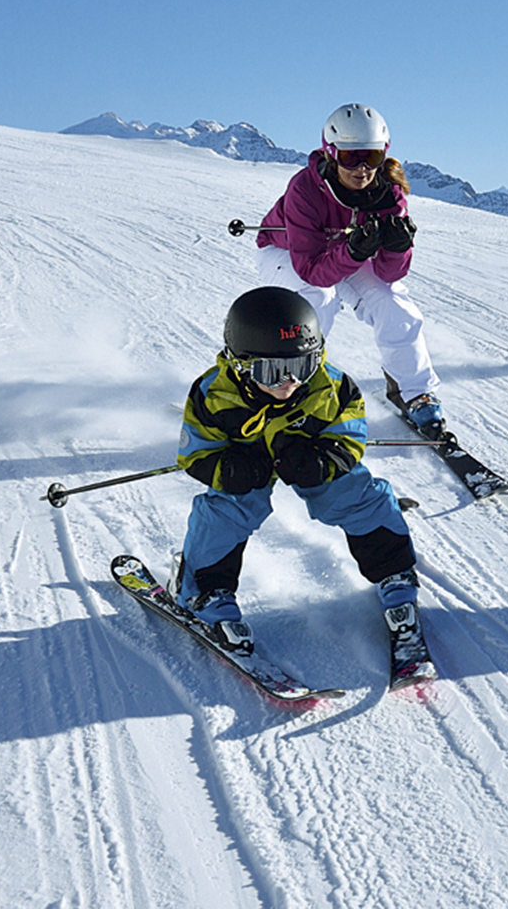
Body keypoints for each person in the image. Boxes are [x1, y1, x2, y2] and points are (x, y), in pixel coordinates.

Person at [173, 286, 428, 674]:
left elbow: (350, 435)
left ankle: (395, 575)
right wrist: (229, 470)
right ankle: (207, 592)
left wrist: (325, 460)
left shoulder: (332, 387)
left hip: (306, 457)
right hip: (250, 463)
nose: (288, 383)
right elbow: (195, 452)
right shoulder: (214, 395)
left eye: (302, 366)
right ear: (240, 363)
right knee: (226, 508)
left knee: (356, 491)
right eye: (272, 372)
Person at [256, 103, 446, 434]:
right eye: (349, 158)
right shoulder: (305, 188)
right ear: (331, 153)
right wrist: (355, 250)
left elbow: (388, 275)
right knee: (317, 300)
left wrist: (399, 248)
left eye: (371, 158)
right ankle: (281, 389)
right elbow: (311, 270)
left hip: (347, 254)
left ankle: (415, 395)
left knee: (393, 304)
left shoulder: (389, 192)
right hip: (286, 252)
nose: (362, 169)